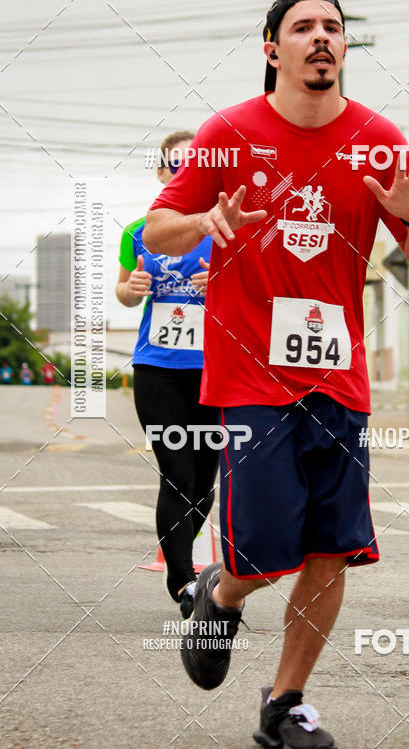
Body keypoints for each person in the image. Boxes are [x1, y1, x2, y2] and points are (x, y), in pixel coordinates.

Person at [143, 0, 409, 748]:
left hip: (338, 375)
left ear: (346, 48)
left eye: (334, 28)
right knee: (267, 550)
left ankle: (286, 704)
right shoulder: (228, 133)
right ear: (273, 49)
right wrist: (203, 219)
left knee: (333, 546)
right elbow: (158, 229)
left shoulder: (379, 139)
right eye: (303, 27)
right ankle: (223, 589)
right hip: (251, 378)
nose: (321, 38)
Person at [116, 130, 218, 619]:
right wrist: (133, 287)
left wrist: (221, 285)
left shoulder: (224, 227)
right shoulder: (139, 230)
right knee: (176, 471)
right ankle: (184, 584)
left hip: (216, 370)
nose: (182, 174)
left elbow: (257, 298)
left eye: (191, 165)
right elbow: (124, 292)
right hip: (157, 367)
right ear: (161, 173)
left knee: (204, 483)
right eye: (174, 166)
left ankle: (182, 560)